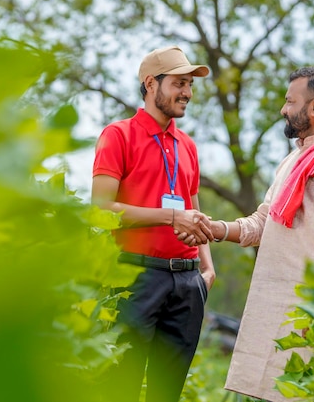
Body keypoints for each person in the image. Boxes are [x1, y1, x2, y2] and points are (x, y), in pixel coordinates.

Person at [181, 65, 314, 402]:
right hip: (274, 311)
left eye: (290, 101)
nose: (284, 110)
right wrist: (216, 229)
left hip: (313, 317)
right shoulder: (293, 162)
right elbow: (264, 221)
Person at [91, 45, 216, 402]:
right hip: (135, 280)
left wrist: (207, 269)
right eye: (179, 83)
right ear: (150, 84)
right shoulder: (118, 135)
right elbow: (100, 209)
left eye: (190, 85)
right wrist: (171, 216)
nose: (188, 93)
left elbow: (194, 209)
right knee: (120, 388)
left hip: (189, 283)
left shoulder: (188, 146)